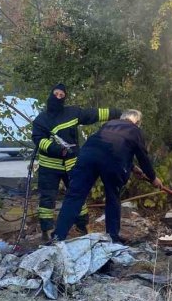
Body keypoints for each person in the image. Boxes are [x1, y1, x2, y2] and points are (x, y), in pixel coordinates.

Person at [53, 109, 162, 243]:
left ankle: (57, 237)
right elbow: (142, 157)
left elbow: (109, 147)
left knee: (74, 196)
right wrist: (153, 178)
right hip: (112, 161)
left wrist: (133, 168)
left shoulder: (109, 124)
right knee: (112, 197)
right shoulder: (135, 130)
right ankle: (112, 238)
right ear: (137, 122)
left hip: (86, 157)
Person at [31, 83, 122, 240]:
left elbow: (93, 114)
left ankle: (82, 225)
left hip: (71, 163)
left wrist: (117, 113)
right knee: (47, 198)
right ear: (51, 94)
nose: (58, 97)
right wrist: (57, 149)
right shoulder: (41, 120)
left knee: (78, 194)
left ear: (64, 97)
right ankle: (47, 230)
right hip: (49, 165)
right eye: (56, 94)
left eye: (61, 95)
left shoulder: (72, 113)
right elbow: (39, 141)